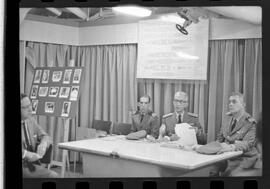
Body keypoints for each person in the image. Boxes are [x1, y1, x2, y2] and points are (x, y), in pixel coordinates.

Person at [211, 92, 258, 176]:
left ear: (243, 104)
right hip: (225, 156)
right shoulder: (227, 119)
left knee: (230, 174)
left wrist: (230, 147)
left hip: (243, 157)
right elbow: (219, 139)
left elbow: (247, 144)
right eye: (229, 102)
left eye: (234, 101)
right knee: (212, 171)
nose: (230, 104)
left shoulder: (250, 122)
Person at [21, 93, 58, 178]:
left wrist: (43, 143)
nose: (30, 109)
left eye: (30, 105)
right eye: (26, 107)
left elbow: (45, 136)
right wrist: (26, 154)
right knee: (53, 176)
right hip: (24, 164)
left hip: (33, 163)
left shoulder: (31, 120)